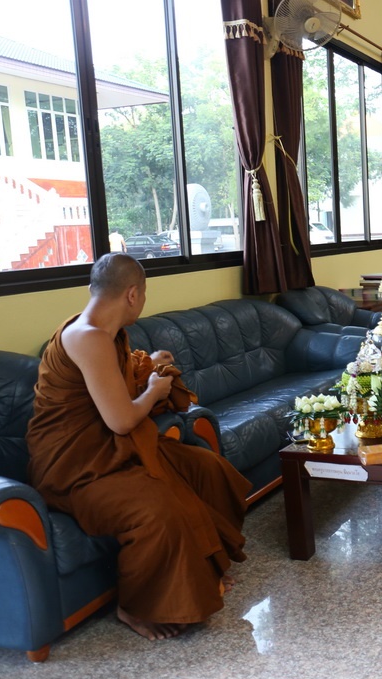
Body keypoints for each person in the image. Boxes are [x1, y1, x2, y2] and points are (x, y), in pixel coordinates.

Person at [27, 253, 251, 642]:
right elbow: (121, 420)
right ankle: (135, 608)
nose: (143, 301)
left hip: (111, 452)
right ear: (133, 294)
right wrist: (153, 391)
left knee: (207, 468)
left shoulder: (105, 334)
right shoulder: (87, 337)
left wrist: (146, 368)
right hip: (76, 469)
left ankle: (206, 567)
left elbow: (109, 384)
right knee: (157, 509)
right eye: (144, 294)